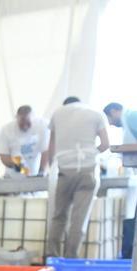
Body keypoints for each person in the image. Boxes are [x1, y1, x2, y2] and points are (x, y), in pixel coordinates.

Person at [44, 97, 110, 259]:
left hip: (64, 170)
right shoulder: (96, 114)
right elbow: (105, 144)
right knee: (79, 218)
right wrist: (91, 153)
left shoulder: (57, 113)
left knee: (59, 215)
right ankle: (71, 258)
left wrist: (53, 166)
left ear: (65, 104)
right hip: (87, 170)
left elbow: (51, 146)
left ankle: (52, 257)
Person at [104, 101, 137, 257]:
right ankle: (130, 252)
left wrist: (135, 151)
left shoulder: (132, 115)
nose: (112, 124)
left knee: (135, 213)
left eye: (110, 119)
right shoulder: (128, 124)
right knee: (133, 212)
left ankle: (132, 253)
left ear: (114, 111)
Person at [0, 105, 49, 176]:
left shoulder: (42, 125)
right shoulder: (6, 130)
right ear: (16, 118)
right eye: (22, 122)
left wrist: (41, 171)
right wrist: (18, 166)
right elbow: (3, 156)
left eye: (28, 122)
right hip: (13, 175)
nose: (25, 126)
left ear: (33, 119)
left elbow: (46, 151)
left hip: (34, 173)